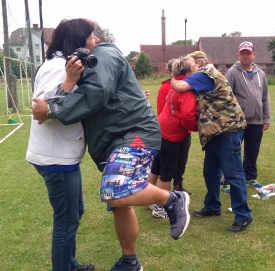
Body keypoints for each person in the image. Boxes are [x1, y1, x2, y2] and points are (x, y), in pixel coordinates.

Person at [31, 28, 190, 271]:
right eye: (90, 36)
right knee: (119, 203)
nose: (94, 40)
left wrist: (52, 109)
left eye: (95, 36)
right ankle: (130, 262)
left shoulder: (104, 53)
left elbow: (97, 93)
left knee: (116, 191)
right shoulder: (87, 61)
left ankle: (172, 199)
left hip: (134, 135)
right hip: (115, 138)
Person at [26, 18, 98, 271]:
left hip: (58, 154)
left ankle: (70, 264)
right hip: (56, 158)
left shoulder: (59, 64)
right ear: (79, 41)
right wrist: (68, 82)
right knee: (66, 221)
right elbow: (41, 110)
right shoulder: (59, 67)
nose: (96, 40)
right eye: (91, 36)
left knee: (73, 213)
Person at [171, 56, 253, 233]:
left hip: (226, 130)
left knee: (233, 173)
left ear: (198, 64)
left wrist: (172, 76)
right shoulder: (201, 76)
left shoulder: (204, 74)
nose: (190, 67)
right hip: (215, 132)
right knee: (210, 171)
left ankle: (243, 215)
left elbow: (179, 86)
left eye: (191, 63)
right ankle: (213, 206)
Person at [149, 57, 198, 219]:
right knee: (166, 172)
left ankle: (150, 198)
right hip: (171, 135)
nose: (197, 67)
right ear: (187, 72)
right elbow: (188, 117)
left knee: (157, 166)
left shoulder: (175, 85)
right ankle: (161, 207)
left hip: (162, 131)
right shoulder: (186, 90)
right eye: (194, 66)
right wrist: (198, 127)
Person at [225, 41, 270, 190]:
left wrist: (266, 117)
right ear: (238, 55)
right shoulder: (232, 72)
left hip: (257, 120)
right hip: (238, 121)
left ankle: (250, 177)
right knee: (233, 152)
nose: (245, 56)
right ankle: (228, 182)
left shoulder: (260, 73)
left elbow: (265, 97)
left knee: (252, 152)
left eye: (248, 53)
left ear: (254, 55)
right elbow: (226, 96)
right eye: (243, 53)